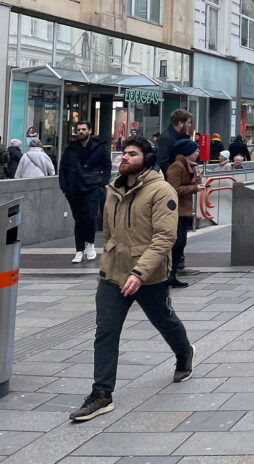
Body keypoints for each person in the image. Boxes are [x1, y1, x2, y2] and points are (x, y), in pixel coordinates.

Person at [68, 135, 194, 423]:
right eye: (124, 153)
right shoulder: (112, 189)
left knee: (164, 320)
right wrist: (103, 272)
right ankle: (101, 394)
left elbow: (165, 238)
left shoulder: (161, 191)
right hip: (114, 274)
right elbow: (110, 236)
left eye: (133, 154)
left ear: (146, 159)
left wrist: (140, 272)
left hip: (148, 276)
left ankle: (185, 352)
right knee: (106, 332)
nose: (124, 157)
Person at [59, 121, 112, 264]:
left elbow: (107, 165)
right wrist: (64, 187)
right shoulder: (71, 149)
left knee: (90, 216)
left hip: (93, 186)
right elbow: (62, 168)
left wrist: (103, 183)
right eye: (78, 130)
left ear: (90, 130)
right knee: (79, 219)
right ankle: (79, 250)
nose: (80, 132)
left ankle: (90, 243)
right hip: (74, 188)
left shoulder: (99, 147)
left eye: (83, 129)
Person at [164, 138, 201, 288]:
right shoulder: (177, 167)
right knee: (176, 243)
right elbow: (173, 189)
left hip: (184, 210)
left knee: (181, 243)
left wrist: (196, 181)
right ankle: (168, 275)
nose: (198, 153)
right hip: (176, 211)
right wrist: (194, 188)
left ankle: (172, 276)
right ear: (188, 152)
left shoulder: (189, 166)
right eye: (196, 150)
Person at [156, 109, 192, 174]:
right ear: (180, 123)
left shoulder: (179, 137)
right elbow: (162, 163)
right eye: (188, 122)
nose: (190, 125)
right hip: (171, 180)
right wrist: (180, 172)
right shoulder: (166, 138)